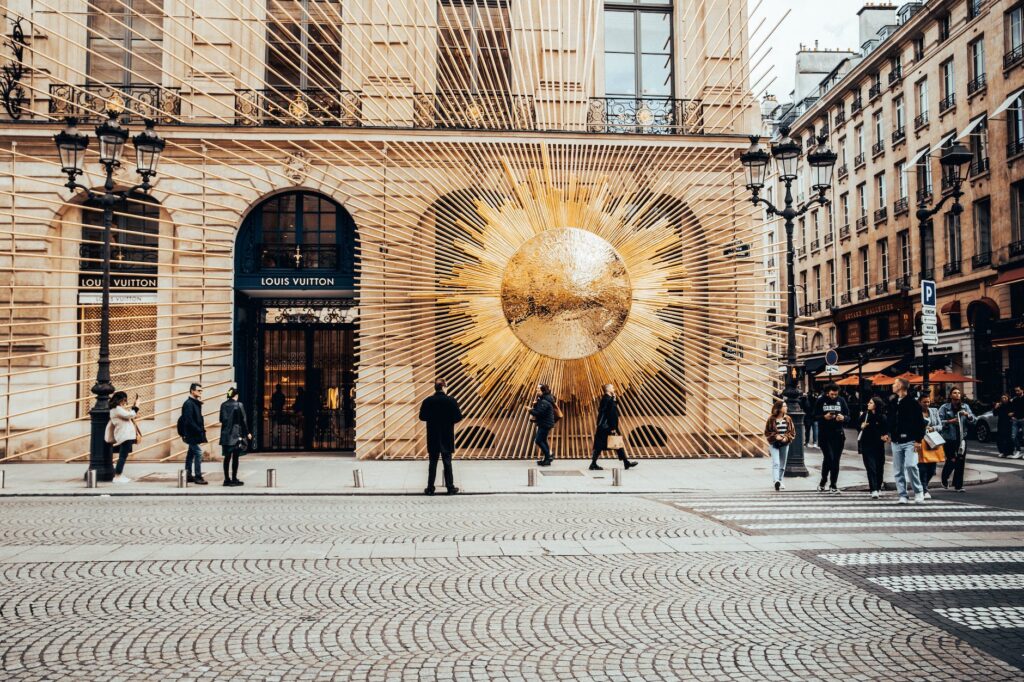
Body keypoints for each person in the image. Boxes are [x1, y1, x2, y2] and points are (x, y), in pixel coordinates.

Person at [418, 379, 463, 495]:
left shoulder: (428, 401)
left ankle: (430, 488)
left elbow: (422, 417)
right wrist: (449, 420)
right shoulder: (451, 401)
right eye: (446, 386)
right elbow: (458, 417)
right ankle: (450, 487)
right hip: (446, 435)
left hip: (433, 436)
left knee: (432, 463)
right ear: (443, 387)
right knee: (447, 462)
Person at [885, 377, 925, 504]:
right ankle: (902, 495)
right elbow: (890, 420)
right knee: (898, 470)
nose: (892, 385)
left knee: (911, 465)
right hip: (896, 441)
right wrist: (887, 433)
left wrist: (918, 440)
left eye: (895, 383)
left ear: (901, 386)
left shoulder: (913, 403)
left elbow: (920, 423)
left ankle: (919, 492)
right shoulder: (893, 402)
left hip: (910, 440)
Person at [589, 383, 637, 471]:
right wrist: (613, 428)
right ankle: (593, 464)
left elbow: (610, 410)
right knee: (610, 444)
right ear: (608, 389)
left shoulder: (608, 399)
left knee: (613, 444)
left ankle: (626, 463)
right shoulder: (606, 399)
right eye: (612, 387)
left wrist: (614, 399)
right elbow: (610, 414)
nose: (614, 388)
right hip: (607, 427)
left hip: (605, 427)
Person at [813, 383, 849, 493]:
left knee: (836, 460)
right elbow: (813, 416)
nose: (834, 396)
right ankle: (823, 480)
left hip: (838, 434)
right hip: (824, 434)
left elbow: (848, 416)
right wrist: (824, 417)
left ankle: (833, 484)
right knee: (829, 458)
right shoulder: (820, 400)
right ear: (827, 392)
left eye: (836, 394)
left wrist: (843, 417)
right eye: (832, 394)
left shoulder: (841, 400)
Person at [939, 387, 975, 492]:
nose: (957, 394)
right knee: (952, 459)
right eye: (955, 393)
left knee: (960, 461)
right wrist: (950, 421)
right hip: (949, 438)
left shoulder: (965, 407)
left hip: (961, 437)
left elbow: (974, 420)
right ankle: (945, 477)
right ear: (950, 395)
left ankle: (958, 485)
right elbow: (939, 422)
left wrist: (968, 416)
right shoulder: (944, 408)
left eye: (959, 393)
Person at [106, 391, 140, 483]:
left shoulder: (117, 409)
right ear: (120, 399)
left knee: (123, 456)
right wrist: (136, 406)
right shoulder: (117, 409)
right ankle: (117, 476)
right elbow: (130, 415)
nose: (125, 402)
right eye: (124, 400)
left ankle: (119, 474)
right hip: (125, 436)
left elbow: (129, 416)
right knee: (122, 457)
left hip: (126, 435)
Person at [219, 387, 251, 487]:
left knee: (227, 458)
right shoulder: (239, 405)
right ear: (236, 396)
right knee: (235, 457)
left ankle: (226, 479)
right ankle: (234, 478)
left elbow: (221, 419)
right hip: (236, 435)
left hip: (225, 435)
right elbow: (243, 420)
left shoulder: (223, 405)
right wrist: (247, 433)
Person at [178, 383, 208, 485]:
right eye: (199, 390)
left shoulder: (195, 403)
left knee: (190, 454)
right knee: (199, 453)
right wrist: (198, 429)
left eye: (201, 391)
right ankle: (198, 477)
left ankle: (188, 474)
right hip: (191, 434)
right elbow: (188, 420)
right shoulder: (189, 404)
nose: (201, 392)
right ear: (192, 391)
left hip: (194, 433)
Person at [858, 396, 886, 499]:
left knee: (879, 467)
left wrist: (885, 436)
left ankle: (878, 488)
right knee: (871, 467)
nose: (868, 404)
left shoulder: (882, 417)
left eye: (870, 403)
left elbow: (886, 429)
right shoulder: (865, 415)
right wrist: (861, 426)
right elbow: (858, 425)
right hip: (867, 444)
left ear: (876, 405)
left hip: (879, 445)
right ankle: (873, 489)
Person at [763, 399, 795, 491]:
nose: (786, 407)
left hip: (785, 443)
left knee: (782, 464)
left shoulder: (788, 419)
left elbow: (792, 432)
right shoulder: (771, 419)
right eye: (784, 406)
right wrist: (775, 436)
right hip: (774, 443)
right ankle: (776, 481)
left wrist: (786, 438)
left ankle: (780, 481)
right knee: (776, 462)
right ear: (779, 408)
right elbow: (767, 432)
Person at [918, 394, 942, 499]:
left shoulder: (934, 411)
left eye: (928, 402)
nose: (927, 404)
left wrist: (933, 428)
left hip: (932, 441)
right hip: (921, 441)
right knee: (922, 467)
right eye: (924, 402)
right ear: (920, 402)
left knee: (932, 469)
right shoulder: (916, 413)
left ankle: (923, 485)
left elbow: (940, 426)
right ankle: (924, 489)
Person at [529, 384, 557, 467]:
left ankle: (548, 458)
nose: (537, 390)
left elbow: (539, 412)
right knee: (543, 440)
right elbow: (541, 409)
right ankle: (547, 458)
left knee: (538, 440)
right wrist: (536, 404)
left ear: (542, 391)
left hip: (545, 423)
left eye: (538, 389)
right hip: (545, 422)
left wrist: (530, 410)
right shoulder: (544, 398)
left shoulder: (545, 400)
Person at [994, 393, 1018, 459]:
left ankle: (1010, 452)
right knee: (1000, 438)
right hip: (1001, 423)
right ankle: (1002, 452)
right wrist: (996, 407)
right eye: (1002, 398)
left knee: (1009, 438)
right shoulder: (1000, 405)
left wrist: (1013, 414)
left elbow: (1016, 411)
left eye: (1005, 398)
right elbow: (995, 414)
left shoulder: (1011, 404)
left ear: (1008, 398)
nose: (1003, 399)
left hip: (1009, 422)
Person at [1011, 385, 1024, 458]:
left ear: (1022, 390)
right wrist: (1012, 416)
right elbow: (1012, 409)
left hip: (1023, 419)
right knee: (1013, 436)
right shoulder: (1015, 399)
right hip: (1016, 420)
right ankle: (1018, 451)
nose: (1017, 392)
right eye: (1016, 390)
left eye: (1018, 390)